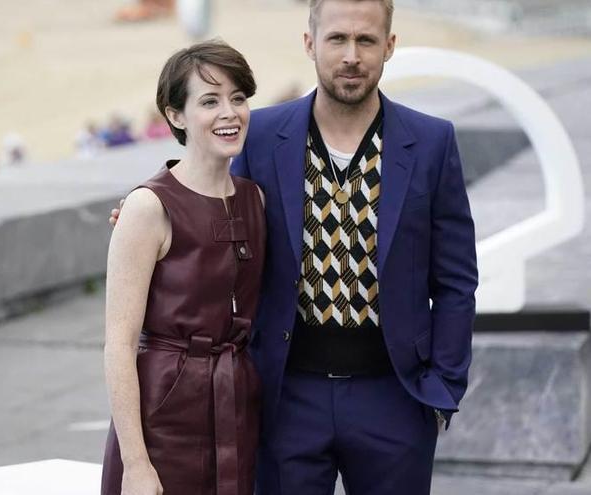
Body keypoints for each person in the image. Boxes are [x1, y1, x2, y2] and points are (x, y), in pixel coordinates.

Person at [110, 1, 478, 493]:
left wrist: (441, 390)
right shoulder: (259, 135)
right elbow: (212, 204)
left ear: (389, 46)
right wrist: (143, 208)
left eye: (366, 41)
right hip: (286, 395)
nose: (351, 55)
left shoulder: (432, 142)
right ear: (310, 43)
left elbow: (456, 279)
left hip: (394, 398)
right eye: (337, 39)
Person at [101, 40, 266, 495]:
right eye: (209, 101)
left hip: (238, 406)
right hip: (164, 415)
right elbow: (118, 345)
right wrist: (136, 465)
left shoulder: (256, 199)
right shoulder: (147, 206)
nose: (229, 113)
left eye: (238, 98)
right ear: (175, 115)